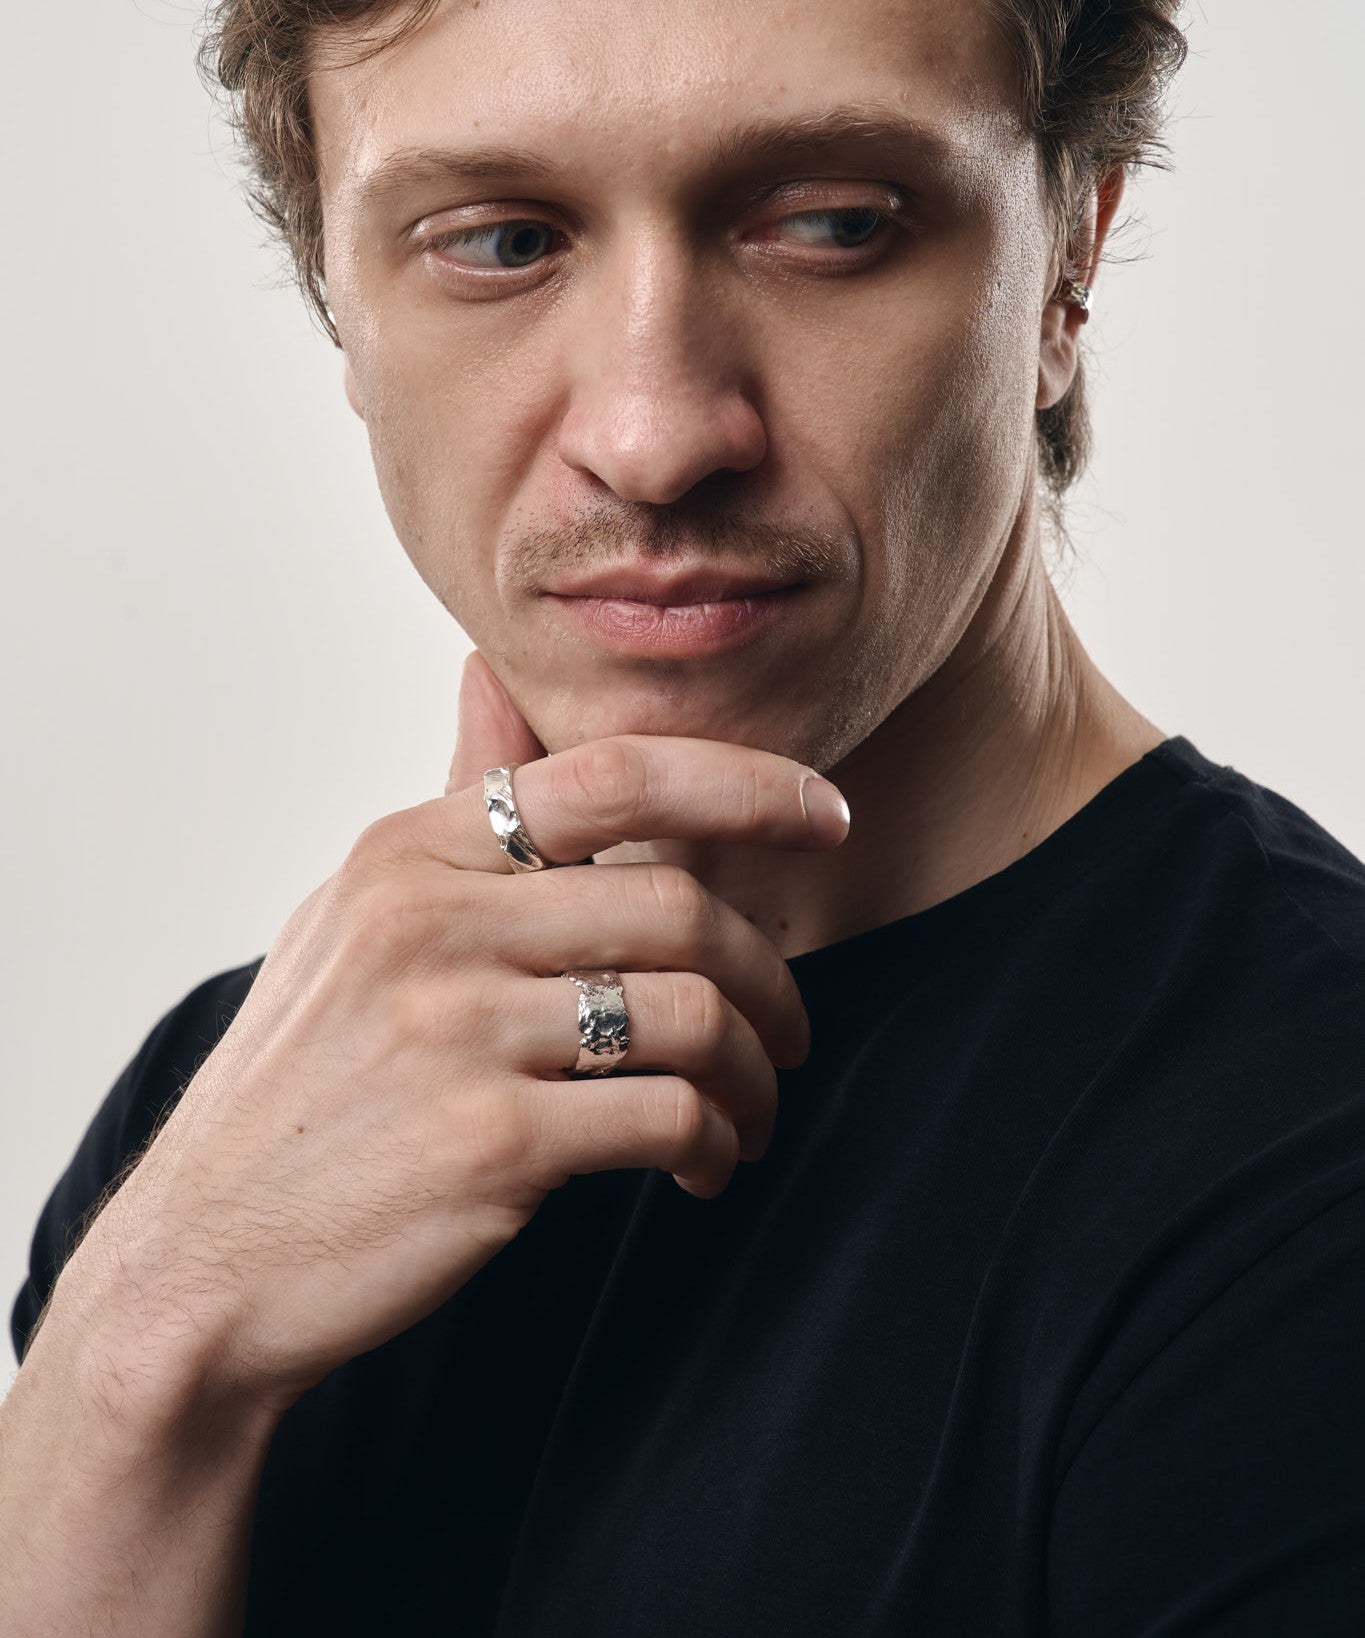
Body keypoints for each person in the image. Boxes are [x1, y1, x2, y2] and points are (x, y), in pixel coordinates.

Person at [4, 0, 1364, 1632]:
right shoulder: (232, 1112)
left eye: (831, 224)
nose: (652, 440)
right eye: (502, 241)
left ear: (1067, 256)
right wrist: (145, 1341)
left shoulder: (1311, 1162)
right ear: (333, 299)